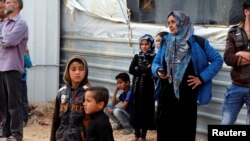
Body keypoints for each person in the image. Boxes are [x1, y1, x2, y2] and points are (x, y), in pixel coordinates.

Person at [151, 11, 223, 141]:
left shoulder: (198, 43)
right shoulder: (165, 42)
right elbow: (155, 63)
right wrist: (159, 70)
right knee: (165, 131)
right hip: (166, 96)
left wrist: (201, 78)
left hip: (187, 97)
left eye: (173, 22)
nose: (170, 26)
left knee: (185, 131)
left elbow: (218, 60)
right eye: (168, 23)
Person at [0, 0, 29, 140]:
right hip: (1, 67)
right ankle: (6, 132)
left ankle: (16, 133)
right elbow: (4, 40)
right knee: (3, 102)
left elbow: (9, 41)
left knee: (14, 102)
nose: (5, 4)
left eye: (8, 1)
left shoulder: (21, 23)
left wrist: (3, 39)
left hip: (12, 67)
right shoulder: (4, 23)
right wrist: (3, 39)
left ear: (16, 5)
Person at [222, 0, 250, 125]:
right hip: (236, 86)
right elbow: (228, 58)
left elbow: (234, 57)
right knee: (226, 125)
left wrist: (241, 54)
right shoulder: (233, 32)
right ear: (246, 11)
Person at [50, 55, 90, 141]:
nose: (77, 72)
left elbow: (91, 120)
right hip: (61, 137)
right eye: (73, 69)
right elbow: (55, 119)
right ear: (68, 72)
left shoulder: (89, 93)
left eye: (81, 69)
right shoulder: (61, 92)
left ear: (85, 71)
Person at [129, 34, 156, 141]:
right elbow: (131, 70)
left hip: (148, 88)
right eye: (142, 44)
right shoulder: (137, 56)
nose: (144, 46)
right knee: (136, 110)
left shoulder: (154, 57)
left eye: (146, 44)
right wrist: (143, 70)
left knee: (146, 111)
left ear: (151, 45)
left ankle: (143, 136)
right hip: (137, 87)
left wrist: (141, 69)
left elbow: (151, 71)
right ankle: (136, 134)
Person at [21, 47, 32, 127]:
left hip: (21, 80)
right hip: (15, 80)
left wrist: (26, 54)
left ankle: (24, 119)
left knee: (23, 100)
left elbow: (29, 64)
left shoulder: (23, 52)